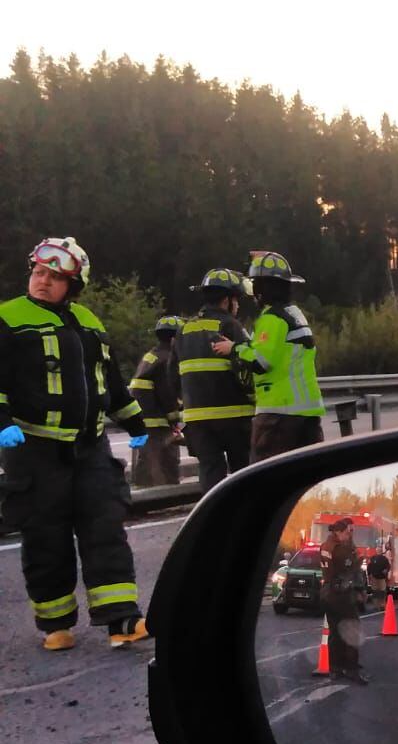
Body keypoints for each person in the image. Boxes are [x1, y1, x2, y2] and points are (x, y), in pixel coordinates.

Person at [0, 238, 152, 651]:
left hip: (90, 448)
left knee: (106, 527)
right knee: (45, 537)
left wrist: (135, 420)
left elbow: (112, 383)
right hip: (34, 451)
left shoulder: (88, 321)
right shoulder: (8, 318)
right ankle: (56, 625)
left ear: (74, 284)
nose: (43, 281)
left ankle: (122, 619)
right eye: (38, 273)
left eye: (54, 277)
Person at [216, 251, 325, 460]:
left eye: (255, 285)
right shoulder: (294, 313)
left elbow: (261, 361)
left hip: (279, 414)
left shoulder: (272, 318)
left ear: (262, 289)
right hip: (307, 413)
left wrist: (234, 348)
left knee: (266, 476)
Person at [174, 268, 255, 493]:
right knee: (243, 472)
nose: (237, 306)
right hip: (234, 416)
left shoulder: (183, 329)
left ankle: (213, 518)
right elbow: (248, 363)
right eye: (237, 300)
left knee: (210, 473)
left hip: (196, 418)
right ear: (227, 300)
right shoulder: (231, 325)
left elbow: (173, 374)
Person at [128, 314, 183, 487]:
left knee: (147, 459)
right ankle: (167, 495)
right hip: (157, 421)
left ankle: (143, 493)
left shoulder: (151, 355)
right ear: (174, 338)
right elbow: (167, 393)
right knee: (167, 459)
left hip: (142, 417)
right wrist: (174, 419)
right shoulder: (168, 359)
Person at [319, 518, 367, 684]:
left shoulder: (325, 545)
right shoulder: (341, 549)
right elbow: (350, 571)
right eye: (349, 531)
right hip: (342, 594)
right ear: (339, 532)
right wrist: (359, 560)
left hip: (327, 593)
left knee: (334, 633)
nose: (351, 534)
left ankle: (335, 668)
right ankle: (351, 669)